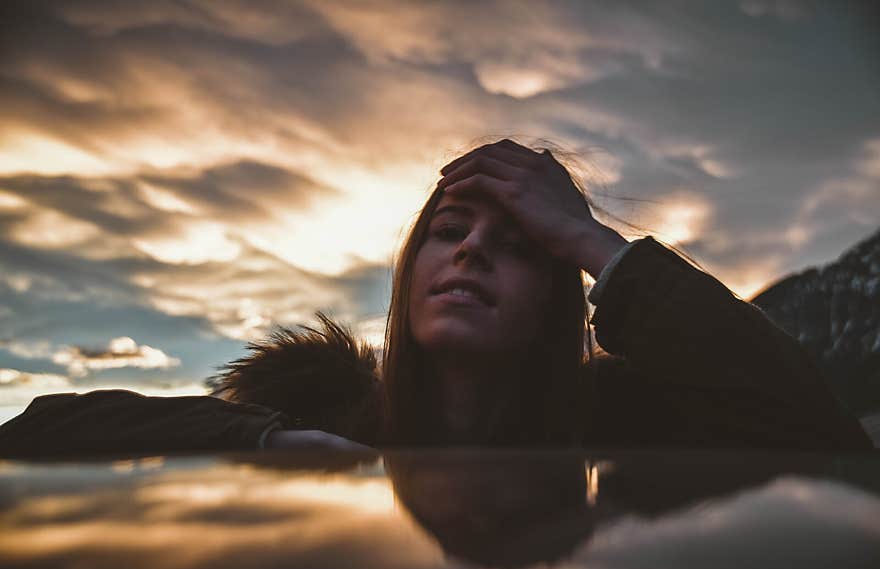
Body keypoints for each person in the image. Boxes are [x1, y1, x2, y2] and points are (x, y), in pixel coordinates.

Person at [0, 139, 870, 458]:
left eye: (524, 243)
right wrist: (265, 438)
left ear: (561, 296)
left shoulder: (633, 426)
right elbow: (42, 427)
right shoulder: (314, 412)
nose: (475, 248)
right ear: (411, 270)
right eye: (450, 229)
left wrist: (595, 241)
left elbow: (822, 438)